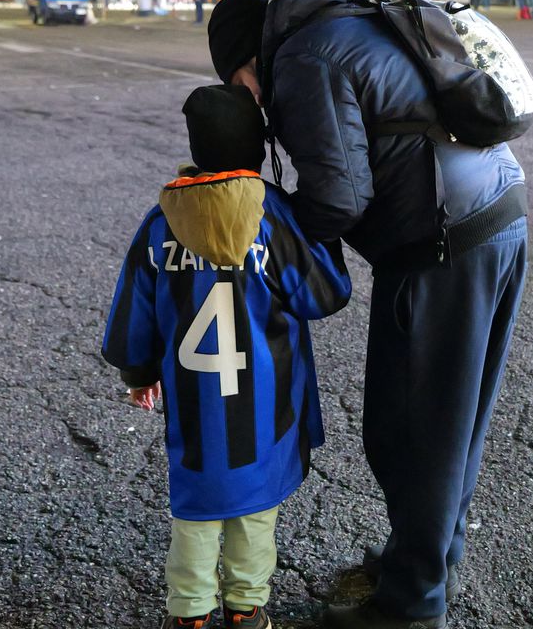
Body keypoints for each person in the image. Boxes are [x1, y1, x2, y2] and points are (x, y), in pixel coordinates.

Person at [208, 0, 528, 629]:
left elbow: (339, 198)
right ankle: (425, 563)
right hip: (498, 213)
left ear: (247, 60)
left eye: (236, 83)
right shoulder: (354, 19)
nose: (246, 101)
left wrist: (271, 225)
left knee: (411, 435)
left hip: (440, 243)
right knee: (451, 426)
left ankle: (411, 608)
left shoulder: (304, 57)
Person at [102, 84, 351, 629]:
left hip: (195, 407)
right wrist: (324, 231)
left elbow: (133, 311)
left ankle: (189, 612)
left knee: (196, 508)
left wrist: (138, 370)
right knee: (255, 506)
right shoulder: (272, 217)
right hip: (266, 402)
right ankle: (247, 609)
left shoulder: (161, 221)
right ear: (258, 148)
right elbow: (324, 295)